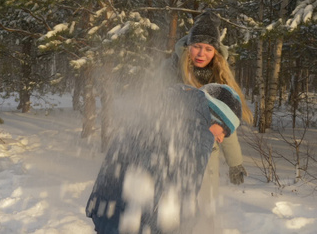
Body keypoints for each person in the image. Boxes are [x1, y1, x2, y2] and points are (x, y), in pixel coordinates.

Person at [85, 83, 242, 234]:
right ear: (216, 115)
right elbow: (180, 199)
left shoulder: (163, 110)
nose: (221, 139)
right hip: (136, 224)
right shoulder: (197, 133)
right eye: (225, 131)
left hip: (107, 212)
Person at [160, 10, 253, 226]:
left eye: (208, 48)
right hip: (172, 151)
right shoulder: (170, 69)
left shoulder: (220, 80)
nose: (201, 53)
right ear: (188, 46)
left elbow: (226, 122)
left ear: (216, 52)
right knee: (171, 212)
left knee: (203, 215)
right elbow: (156, 105)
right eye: (197, 46)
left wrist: (235, 163)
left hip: (206, 157)